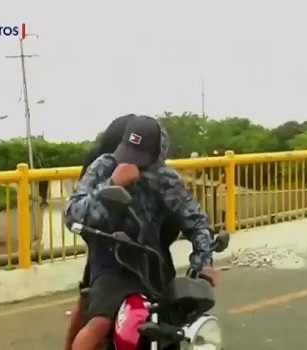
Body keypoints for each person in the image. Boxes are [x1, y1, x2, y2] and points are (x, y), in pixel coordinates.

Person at [64, 115, 217, 350]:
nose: (133, 162)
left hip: (151, 260)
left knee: (181, 326)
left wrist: (203, 262)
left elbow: (197, 222)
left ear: (158, 153)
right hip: (112, 258)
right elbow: (72, 214)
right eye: (129, 153)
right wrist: (112, 185)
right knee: (99, 322)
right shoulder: (104, 166)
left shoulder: (166, 179)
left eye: (141, 157)